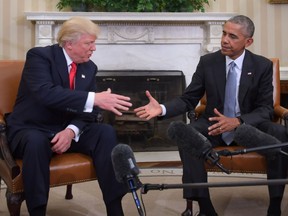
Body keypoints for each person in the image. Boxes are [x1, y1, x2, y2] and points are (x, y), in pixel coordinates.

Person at [134, 15, 285, 216]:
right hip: (213, 125)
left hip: (251, 127)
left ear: (248, 42)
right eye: (224, 33)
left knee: (280, 134)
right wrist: (162, 108)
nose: (224, 40)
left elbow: (266, 109)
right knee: (188, 135)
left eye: (232, 36)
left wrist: (238, 121)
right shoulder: (208, 62)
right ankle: (204, 206)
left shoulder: (262, 66)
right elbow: (189, 99)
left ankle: (275, 205)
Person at [5, 17, 132, 216]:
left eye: (94, 43)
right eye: (89, 43)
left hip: (63, 129)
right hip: (31, 128)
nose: (94, 49)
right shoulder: (40, 56)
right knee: (36, 141)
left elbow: (88, 112)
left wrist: (71, 132)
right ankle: (37, 211)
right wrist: (95, 98)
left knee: (105, 132)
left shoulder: (89, 67)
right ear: (69, 43)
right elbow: (46, 93)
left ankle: (115, 209)